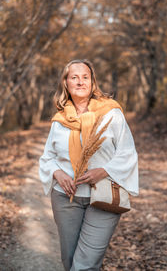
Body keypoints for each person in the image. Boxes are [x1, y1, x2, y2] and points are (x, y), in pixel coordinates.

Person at [39, 59, 138, 271]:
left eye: (85, 77)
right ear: (66, 83)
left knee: (86, 264)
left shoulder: (111, 114)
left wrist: (103, 171)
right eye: (74, 77)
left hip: (103, 196)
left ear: (93, 82)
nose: (80, 82)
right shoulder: (60, 120)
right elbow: (47, 157)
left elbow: (128, 152)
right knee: (70, 260)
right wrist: (57, 173)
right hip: (66, 198)